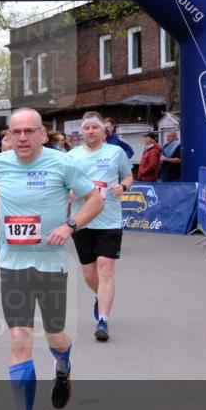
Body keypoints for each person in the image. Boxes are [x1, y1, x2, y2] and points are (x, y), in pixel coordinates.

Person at [0, 108, 104, 410]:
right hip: (12, 264)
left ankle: (63, 366)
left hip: (50, 264)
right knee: (20, 338)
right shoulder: (0, 163)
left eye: (29, 131)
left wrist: (70, 225)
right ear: (8, 135)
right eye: (16, 131)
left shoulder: (62, 164)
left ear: (43, 135)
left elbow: (95, 199)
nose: (22, 138)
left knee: (55, 334)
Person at [67, 111, 134, 342]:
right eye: (86, 128)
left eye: (95, 127)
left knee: (106, 268)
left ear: (103, 132)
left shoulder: (116, 153)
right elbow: (64, 184)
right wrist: (71, 192)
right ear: (82, 132)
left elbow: (128, 177)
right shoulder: (72, 156)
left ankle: (103, 320)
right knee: (89, 272)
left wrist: (122, 188)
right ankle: (100, 296)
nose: (90, 131)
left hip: (110, 219)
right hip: (82, 219)